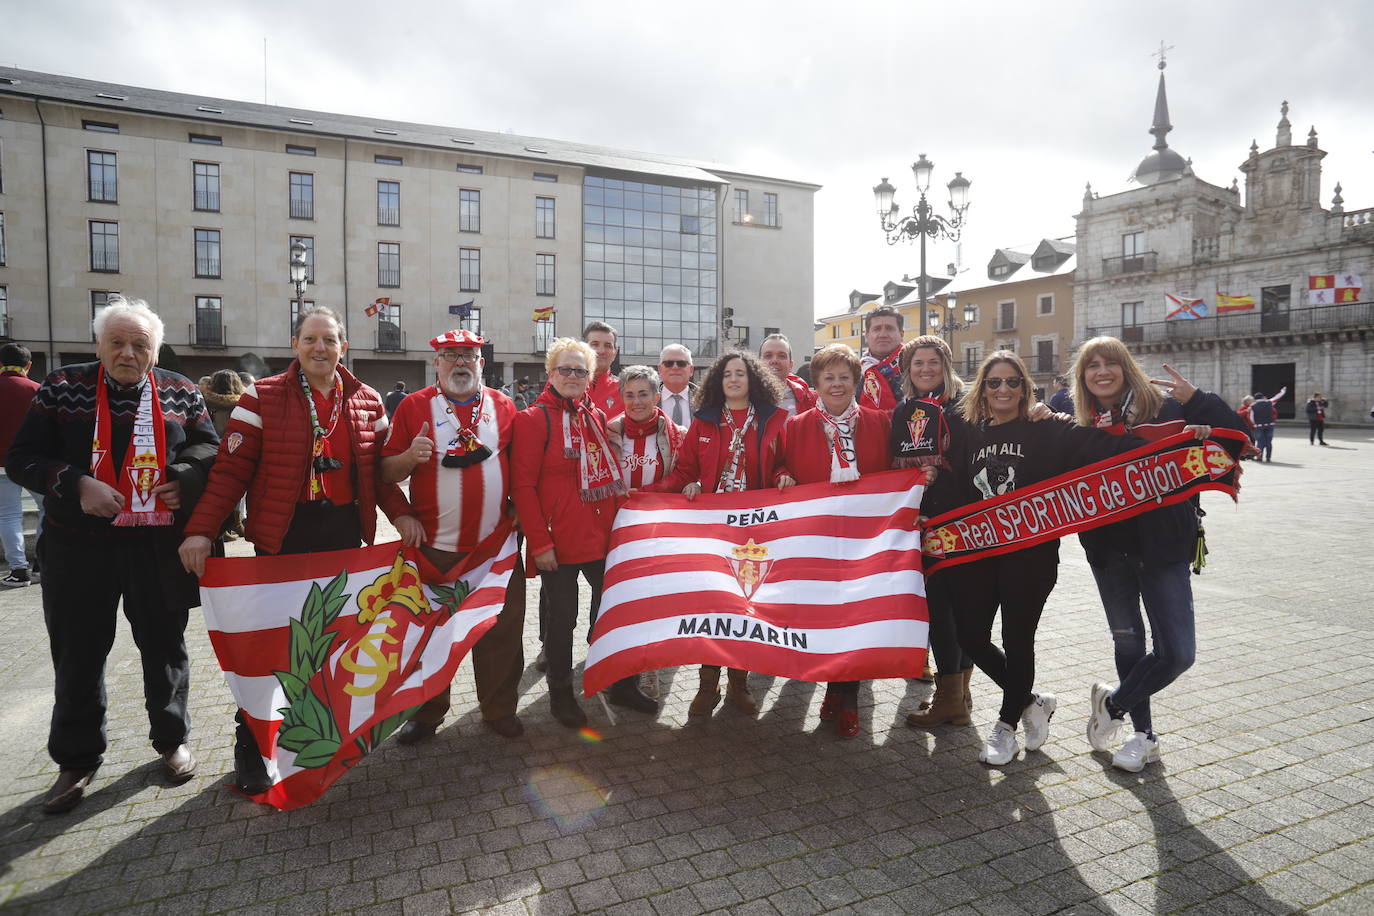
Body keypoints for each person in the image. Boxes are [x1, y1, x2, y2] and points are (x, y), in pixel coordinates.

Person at [179, 305, 422, 794]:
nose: (320, 348)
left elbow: (375, 475)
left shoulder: (368, 400)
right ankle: (250, 745)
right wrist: (201, 530)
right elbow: (230, 473)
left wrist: (401, 516)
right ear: (295, 345)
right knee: (274, 646)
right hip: (282, 536)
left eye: (329, 340)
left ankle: (314, 741)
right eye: (311, 339)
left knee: (331, 641)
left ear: (343, 347)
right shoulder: (260, 398)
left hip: (341, 535)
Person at [7, 297, 219, 813]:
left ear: (154, 349)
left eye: (139, 344)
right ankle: (77, 759)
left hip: (153, 547)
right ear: (98, 344)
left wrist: (183, 479)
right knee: (78, 653)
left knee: (164, 646)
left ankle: (172, 741)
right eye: (117, 343)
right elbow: (21, 458)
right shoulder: (63, 387)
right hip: (79, 547)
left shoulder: (181, 391)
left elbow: (209, 448)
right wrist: (76, 483)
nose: (128, 353)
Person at [931, 350, 1141, 766]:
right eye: (994, 383)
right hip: (977, 554)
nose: (1003, 389)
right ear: (983, 389)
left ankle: (1006, 728)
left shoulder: (1047, 428)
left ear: (1026, 388)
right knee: (970, 636)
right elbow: (946, 476)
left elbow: (1103, 446)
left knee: (1017, 639)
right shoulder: (970, 431)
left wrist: (1170, 441)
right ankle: (1032, 701)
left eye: (1013, 382)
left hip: (1030, 557)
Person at [1070, 337, 1244, 772]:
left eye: (1110, 363)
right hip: (1108, 550)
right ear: (1083, 376)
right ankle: (1143, 736)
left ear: (1126, 367)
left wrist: (1199, 402)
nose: (1101, 372)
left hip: (1164, 547)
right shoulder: (1077, 422)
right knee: (1128, 643)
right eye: (1092, 365)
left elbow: (1239, 442)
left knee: (1177, 653)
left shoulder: (1168, 408)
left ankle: (1114, 705)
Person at [380, 330, 527, 742]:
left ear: (482, 363)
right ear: (437, 363)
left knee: (502, 632)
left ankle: (498, 709)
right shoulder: (413, 407)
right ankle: (426, 713)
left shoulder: (504, 406)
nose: (460, 363)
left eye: (469, 355)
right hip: (434, 550)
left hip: (496, 547)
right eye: (451, 356)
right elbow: (384, 472)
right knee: (431, 633)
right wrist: (409, 462)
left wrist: (519, 506)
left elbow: (521, 466)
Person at [511, 338, 655, 728]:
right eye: (565, 369)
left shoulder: (593, 417)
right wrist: (539, 543)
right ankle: (560, 692)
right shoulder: (533, 420)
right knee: (562, 620)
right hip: (558, 540)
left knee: (614, 611)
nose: (573, 377)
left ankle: (619, 682)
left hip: (601, 533)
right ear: (550, 372)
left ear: (590, 377)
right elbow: (522, 487)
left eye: (581, 371)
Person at [647, 350, 788, 716]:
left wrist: (782, 477)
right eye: (727, 374)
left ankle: (739, 684)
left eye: (741, 373)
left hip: (755, 532)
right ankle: (707, 686)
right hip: (712, 531)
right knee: (711, 606)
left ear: (753, 379)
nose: (734, 379)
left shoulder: (774, 420)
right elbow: (685, 471)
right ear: (718, 381)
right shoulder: (704, 421)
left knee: (744, 608)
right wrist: (659, 493)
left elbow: (783, 463)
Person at [777, 344, 890, 738]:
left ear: (856, 381)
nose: (837, 384)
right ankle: (831, 687)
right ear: (817, 384)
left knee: (856, 620)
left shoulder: (880, 422)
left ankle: (847, 698)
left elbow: (894, 474)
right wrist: (785, 476)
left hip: (866, 541)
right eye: (829, 378)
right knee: (825, 619)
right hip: (818, 540)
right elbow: (783, 465)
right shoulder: (797, 425)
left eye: (845, 377)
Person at [890, 336, 975, 726]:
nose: (925, 369)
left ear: (946, 364)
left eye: (933, 362)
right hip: (921, 522)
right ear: (908, 370)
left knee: (961, 610)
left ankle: (956, 696)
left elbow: (973, 460)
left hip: (960, 520)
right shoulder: (902, 411)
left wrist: (939, 473)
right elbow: (894, 464)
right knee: (938, 611)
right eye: (917, 363)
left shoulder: (965, 406)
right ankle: (953, 697)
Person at [1, 344, 42, 587]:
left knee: (8, 515)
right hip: (33, 463)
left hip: (1, 465)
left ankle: (18, 571)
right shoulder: (38, 390)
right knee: (46, 509)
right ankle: (42, 563)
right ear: (28, 365)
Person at [198, 369, 247, 540]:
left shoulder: (204, 403)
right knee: (237, 490)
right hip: (235, 453)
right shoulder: (243, 405)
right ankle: (234, 521)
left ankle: (220, 527)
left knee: (212, 492)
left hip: (209, 453)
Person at [759, 333, 817, 417]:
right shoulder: (745, 398)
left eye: (781, 356)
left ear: (791, 365)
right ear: (758, 363)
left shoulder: (812, 400)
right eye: (768, 356)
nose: (774, 360)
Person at [859, 306, 905, 411]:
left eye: (889, 328)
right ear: (866, 336)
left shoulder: (916, 369)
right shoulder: (854, 372)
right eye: (877, 329)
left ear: (901, 334)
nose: (883, 334)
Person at [584, 321, 624, 418]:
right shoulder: (565, 384)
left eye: (607, 346)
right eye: (594, 344)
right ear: (583, 348)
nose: (601, 351)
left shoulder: (625, 390)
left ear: (615, 352)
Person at [657, 344, 696, 429]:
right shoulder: (648, 400)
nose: (675, 367)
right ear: (660, 369)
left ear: (691, 370)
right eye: (668, 363)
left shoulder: (706, 401)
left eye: (681, 363)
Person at [1248, 386, 1285, 462]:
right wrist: (1283, 391)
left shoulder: (1253, 406)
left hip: (1259, 426)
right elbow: (1277, 397)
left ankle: (1259, 457)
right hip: (1270, 425)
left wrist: (1255, 424)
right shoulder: (1269, 403)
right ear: (1262, 397)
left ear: (1255, 399)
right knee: (1269, 442)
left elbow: (1251, 417)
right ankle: (1268, 457)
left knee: (1260, 442)